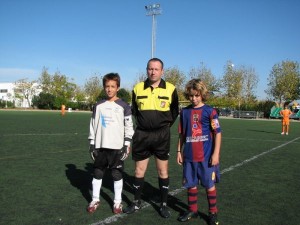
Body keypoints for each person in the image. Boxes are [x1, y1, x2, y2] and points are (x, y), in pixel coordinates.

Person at [123, 58, 179, 218]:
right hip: (142, 135)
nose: (153, 72)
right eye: (150, 69)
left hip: (162, 135)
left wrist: (164, 126)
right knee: (139, 170)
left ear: (162, 71)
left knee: (163, 171)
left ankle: (163, 204)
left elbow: (175, 112)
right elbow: (134, 110)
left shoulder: (171, 89)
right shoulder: (137, 88)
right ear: (146, 70)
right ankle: (136, 202)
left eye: (156, 69)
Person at [87, 73, 134, 214]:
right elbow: (93, 125)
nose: (109, 89)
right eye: (107, 86)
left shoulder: (124, 106)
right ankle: (95, 199)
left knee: (116, 174)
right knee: (97, 172)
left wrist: (127, 143)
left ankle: (117, 202)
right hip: (101, 146)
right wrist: (92, 143)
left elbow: (129, 126)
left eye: (113, 86)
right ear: (103, 87)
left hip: (117, 147)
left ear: (118, 88)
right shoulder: (98, 105)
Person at [176, 79, 221, 225]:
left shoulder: (210, 111)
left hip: (206, 157)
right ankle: (193, 210)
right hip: (189, 156)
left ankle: (212, 213)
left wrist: (215, 154)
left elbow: (218, 133)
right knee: (191, 183)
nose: (194, 99)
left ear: (202, 94)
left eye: (197, 95)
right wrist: (179, 151)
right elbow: (182, 134)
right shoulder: (185, 112)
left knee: (209, 184)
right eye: (191, 96)